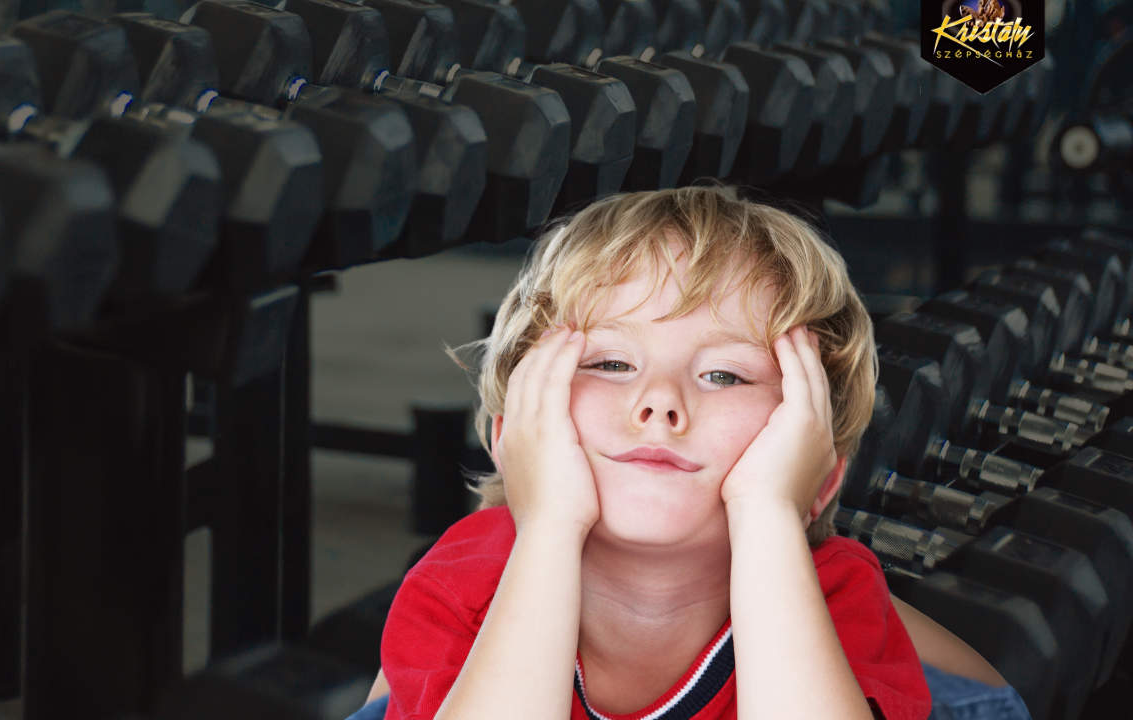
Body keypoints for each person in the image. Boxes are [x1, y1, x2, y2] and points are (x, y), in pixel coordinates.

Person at [368, 187, 1027, 720]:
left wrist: (771, 514)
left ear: (815, 472)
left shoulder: (831, 594)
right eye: (612, 362)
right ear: (516, 437)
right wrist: (547, 526)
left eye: (725, 375)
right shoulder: (464, 583)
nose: (660, 402)